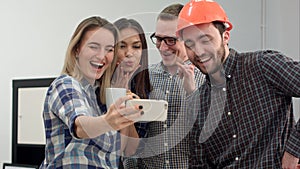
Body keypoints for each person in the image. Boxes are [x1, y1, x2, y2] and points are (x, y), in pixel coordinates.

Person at [176, 0, 300, 168]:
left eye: (205, 40)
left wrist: (294, 149)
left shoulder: (262, 65)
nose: (198, 51)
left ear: (225, 36)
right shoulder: (198, 104)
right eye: (190, 44)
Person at [39, 16, 144, 168]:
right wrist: (107, 122)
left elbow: (118, 152)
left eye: (109, 49)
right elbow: (80, 127)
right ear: (77, 49)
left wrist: (121, 97)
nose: (102, 56)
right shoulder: (66, 84)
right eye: (94, 46)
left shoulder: (98, 98)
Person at [137, 4, 205, 169]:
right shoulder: (145, 77)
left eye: (170, 40)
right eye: (158, 39)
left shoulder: (206, 77)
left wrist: (191, 93)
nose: (162, 47)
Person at [113, 18, 152, 169]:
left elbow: (131, 149)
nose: (129, 53)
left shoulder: (142, 88)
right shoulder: (97, 84)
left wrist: (125, 99)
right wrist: (117, 93)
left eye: (136, 47)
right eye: (122, 46)